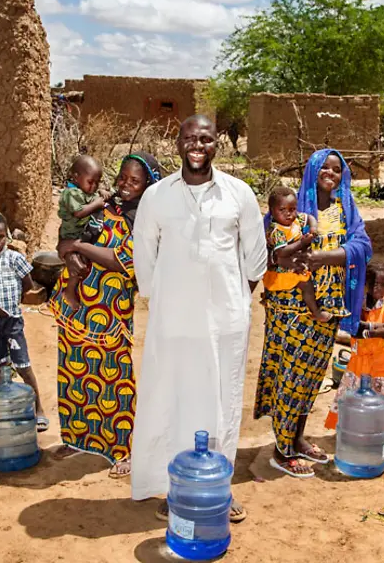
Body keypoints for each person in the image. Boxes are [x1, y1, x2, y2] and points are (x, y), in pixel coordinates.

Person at [131, 115, 267, 522]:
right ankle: (173, 487)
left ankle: (218, 489)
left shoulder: (238, 194)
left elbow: (255, 258)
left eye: (205, 139)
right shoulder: (157, 196)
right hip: (172, 321)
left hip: (225, 325)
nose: (197, 146)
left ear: (216, 145)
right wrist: (166, 300)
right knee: (170, 400)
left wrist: (234, 300)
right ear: (178, 144)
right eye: (189, 138)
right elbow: (144, 257)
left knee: (222, 404)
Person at [253, 149, 373, 478]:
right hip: (291, 306)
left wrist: (326, 257)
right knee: (290, 375)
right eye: (324, 167)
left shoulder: (346, 208)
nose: (330, 173)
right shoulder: (290, 207)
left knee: (312, 376)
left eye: (337, 169)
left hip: (329, 305)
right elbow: (264, 250)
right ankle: (282, 450)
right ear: (312, 170)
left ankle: (297, 437)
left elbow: (363, 245)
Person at [49, 152, 162, 479]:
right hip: (77, 305)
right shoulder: (101, 205)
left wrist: (78, 248)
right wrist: (68, 253)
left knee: (114, 381)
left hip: (110, 309)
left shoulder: (145, 222)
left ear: (148, 185)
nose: (125, 185)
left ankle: (123, 449)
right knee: (73, 372)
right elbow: (66, 236)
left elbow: (121, 260)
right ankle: (77, 438)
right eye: (122, 177)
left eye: (135, 181)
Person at [0, 211, 48, 431]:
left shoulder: (14, 259)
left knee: (23, 366)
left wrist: (13, 303)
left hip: (12, 323)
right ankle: (1, 412)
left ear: (6, 236)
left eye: (0, 237)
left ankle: (39, 409)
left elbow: (28, 284)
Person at [324, 261, 384, 430]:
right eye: (375, 284)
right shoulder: (357, 304)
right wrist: (373, 328)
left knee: (376, 400)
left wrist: (365, 328)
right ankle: (346, 430)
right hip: (358, 362)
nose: (379, 288)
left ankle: (370, 432)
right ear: (366, 283)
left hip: (380, 363)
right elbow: (354, 330)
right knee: (348, 397)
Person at [263, 185, 329, 323]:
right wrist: (302, 243)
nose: (288, 214)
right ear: (272, 211)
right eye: (282, 210)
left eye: (292, 209)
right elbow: (282, 252)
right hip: (280, 269)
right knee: (306, 284)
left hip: (293, 258)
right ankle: (316, 312)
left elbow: (310, 217)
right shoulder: (277, 230)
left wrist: (313, 227)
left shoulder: (296, 219)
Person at [58, 155, 112, 310]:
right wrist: (97, 203)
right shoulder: (70, 193)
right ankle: (69, 291)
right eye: (90, 182)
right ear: (76, 177)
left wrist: (101, 192)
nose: (93, 186)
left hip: (80, 234)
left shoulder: (84, 190)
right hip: (71, 236)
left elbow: (93, 195)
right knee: (77, 265)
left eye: (97, 183)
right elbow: (79, 212)